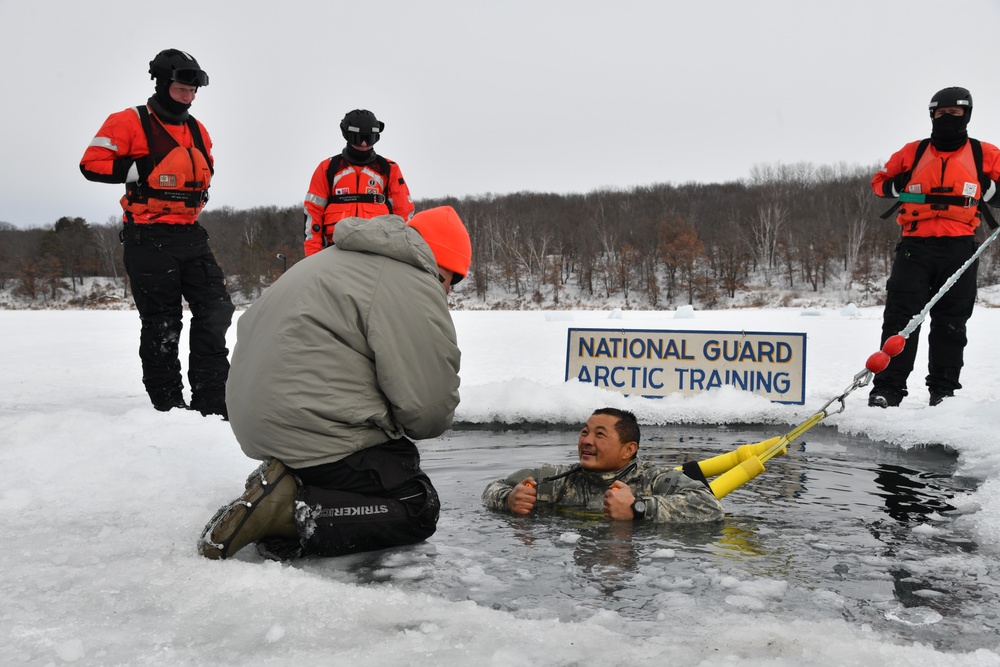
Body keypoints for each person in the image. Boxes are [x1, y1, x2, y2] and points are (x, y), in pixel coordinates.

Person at [199, 206, 470, 561]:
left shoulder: (333, 259)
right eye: (452, 280)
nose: (448, 291)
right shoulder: (412, 280)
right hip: (311, 427)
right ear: (441, 264)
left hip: (259, 424)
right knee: (415, 503)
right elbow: (427, 411)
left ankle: (287, 488)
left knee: (387, 461)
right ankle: (286, 515)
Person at [79, 49, 234, 418]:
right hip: (148, 237)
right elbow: (91, 164)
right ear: (163, 84)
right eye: (181, 89)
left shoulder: (198, 129)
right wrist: (137, 167)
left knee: (216, 310)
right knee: (163, 323)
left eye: (192, 91)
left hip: (191, 235)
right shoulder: (128, 121)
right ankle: (168, 404)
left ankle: (212, 399)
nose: (188, 97)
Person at [869, 87, 1000, 408]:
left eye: (954, 115)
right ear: (932, 116)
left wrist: (990, 189)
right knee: (900, 320)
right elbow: (879, 183)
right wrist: (895, 185)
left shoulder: (986, 155)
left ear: (966, 116)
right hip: (915, 248)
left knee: (951, 322)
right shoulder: (912, 153)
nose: (947, 120)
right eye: (941, 115)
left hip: (959, 250)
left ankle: (943, 392)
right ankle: (888, 387)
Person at [482, 408, 724, 523]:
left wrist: (638, 508)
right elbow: (493, 487)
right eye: (584, 433)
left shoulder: (654, 479)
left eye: (600, 435)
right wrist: (508, 499)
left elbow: (711, 506)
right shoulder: (558, 480)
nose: (586, 441)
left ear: (628, 449)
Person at [302, 109, 414, 256]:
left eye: (369, 138)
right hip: (334, 250)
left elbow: (404, 214)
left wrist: (404, 253)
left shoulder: (388, 169)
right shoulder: (328, 168)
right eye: (358, 138)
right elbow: (313, 212)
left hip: (377, 252)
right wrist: (313, 255)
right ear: (347, 136)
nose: (363, 143)